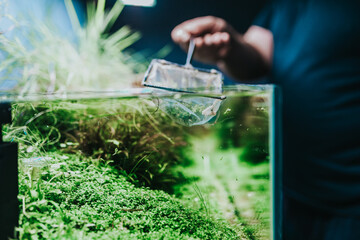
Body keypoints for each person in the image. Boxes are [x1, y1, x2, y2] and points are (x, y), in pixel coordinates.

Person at [171, 0, 360, 239]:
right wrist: (227, 45)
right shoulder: (283, 7)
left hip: (351, 200)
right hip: (290, 190)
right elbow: (254, 59)